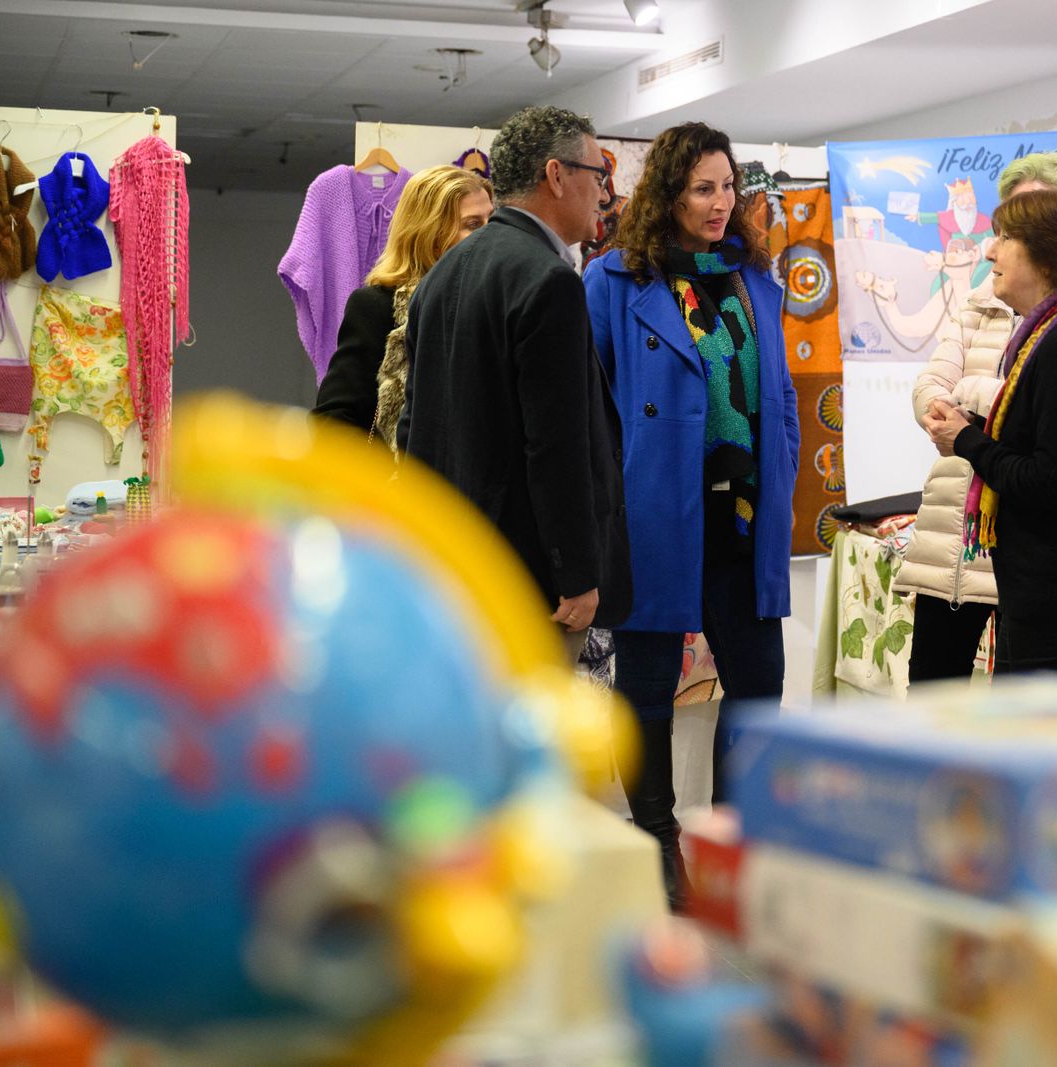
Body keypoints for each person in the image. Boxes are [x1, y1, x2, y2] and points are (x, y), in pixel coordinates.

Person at [583, 122, 799, 907]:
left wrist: (781, 464)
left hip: (743, 517)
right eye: (702, 187)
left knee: (759, 686)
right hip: (655, 516)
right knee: (644, 690)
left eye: (728, 186)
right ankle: (657, 838)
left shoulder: (754, 279)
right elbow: (594, 412)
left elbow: (778, 400)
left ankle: (734, 841)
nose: (719, 203)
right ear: (669, 194)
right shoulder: (614, 282)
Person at [400, 106, 631, 658]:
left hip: (456, 570)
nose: (604, 195)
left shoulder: (442, 275)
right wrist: (575, 572)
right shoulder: (547, 280)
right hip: (530, 584)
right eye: (598, 175)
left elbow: (414, 429)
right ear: (556, 175)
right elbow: (555, 445)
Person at [921, 189, 1057, 676]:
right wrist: (972, 430)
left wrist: (966, 441)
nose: (989, 251)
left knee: (1042, 747)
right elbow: (1046, 451)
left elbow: (1050, 482)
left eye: (1005, 238)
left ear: (1049, 254)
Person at [896, 152, 1057, 685]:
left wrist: (970, 415)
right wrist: (943, 416)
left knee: (1016, 718)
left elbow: (1043, 412)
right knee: (934, 703)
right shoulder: (979, 303)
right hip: (954, 536)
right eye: (1006, 222)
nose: (1003, 241)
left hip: (1026, 545)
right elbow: (930, 385)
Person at [311, 165, 492, 447]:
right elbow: (336, 419)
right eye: (472, 225)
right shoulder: (377, 305)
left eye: (491, 221)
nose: (490, 236)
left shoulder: (494, 305)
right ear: (431, 236)